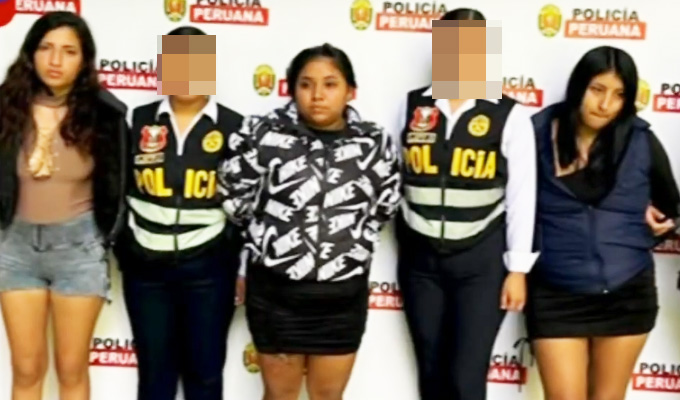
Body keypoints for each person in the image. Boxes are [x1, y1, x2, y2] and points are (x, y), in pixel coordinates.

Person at [217, 43, 402, 400]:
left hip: (341, 297)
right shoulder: (262, 134)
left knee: (328, 396)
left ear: (350, 91)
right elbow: (234, 198)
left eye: (330, 84)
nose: (317, 95)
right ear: (292, 89)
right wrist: (271, 238)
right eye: (306, 84)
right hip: (275, 294)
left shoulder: (374, 143)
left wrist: (346, 244)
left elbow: (385, 207)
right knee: (279, 395)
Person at [393, 7, 539, 400]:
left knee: (465, 377)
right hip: (420, 261)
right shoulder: (412, 106)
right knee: (431, 372)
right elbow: (394, 176)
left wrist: (518, 269)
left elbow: (522, 195)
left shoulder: (509, 115)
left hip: (481, 262)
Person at [526, 45, 680, 400]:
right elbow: (512, 205)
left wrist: (652, 224)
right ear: (579, 86)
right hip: (555, 292)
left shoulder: (640, 139)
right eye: (597, 89)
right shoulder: (535, 134)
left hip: (627, 292)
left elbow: (670, 208)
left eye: (619, 94)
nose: (605, 104)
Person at [0, 11, 128, 400]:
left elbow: (118, 185)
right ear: (31, 53)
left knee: (71, 369)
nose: (56, 60)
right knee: (26, 369)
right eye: (46, 48)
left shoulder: (106, 113)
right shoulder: (6, 106)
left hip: (78, 248)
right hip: (15, 248)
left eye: (69, 51)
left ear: (84, 59)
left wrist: (105, 239)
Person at [114, 26, 244, 400]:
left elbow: (247, 205)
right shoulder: (137, 121)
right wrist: (126, 247)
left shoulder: (235, 127)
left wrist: (238, 264)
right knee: (155, 377)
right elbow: (116, 189)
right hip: (146, 270)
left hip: (209, 270)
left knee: (205, 375)